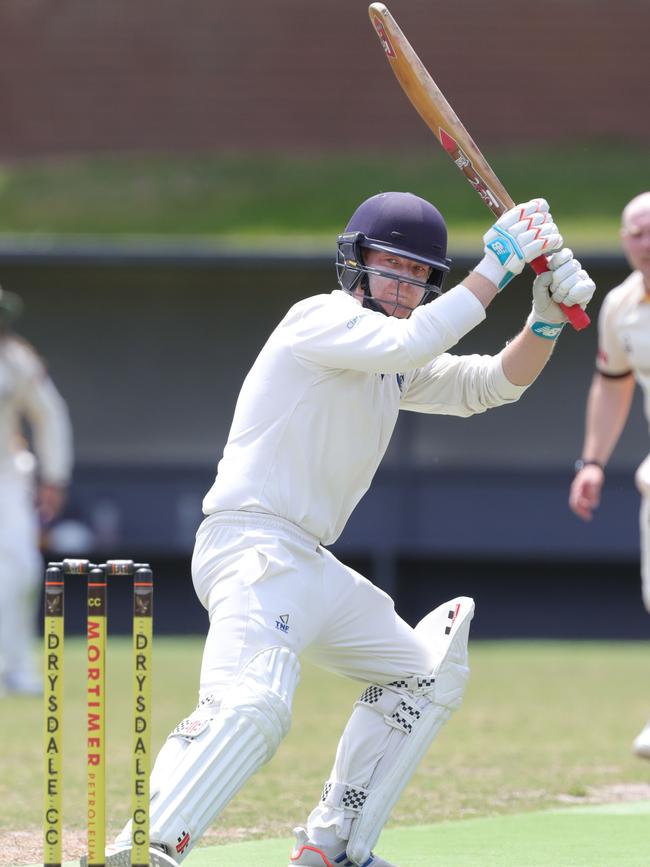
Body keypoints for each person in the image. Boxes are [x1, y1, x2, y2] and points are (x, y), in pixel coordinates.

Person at [102, 192, 595, 867]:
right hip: (251, 545)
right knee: (252, 704)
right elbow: (415, 336)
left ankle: (331, 844)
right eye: (390, 267)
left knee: (423, 674)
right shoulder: (321, 320)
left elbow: (488, 386)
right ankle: (138, 849)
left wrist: (542, 323)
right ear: (354, 263)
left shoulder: (393, 357)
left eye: (419, 274)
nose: (403, 285)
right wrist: (500, 264)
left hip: (307, 560)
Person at [569, 191, 650, 761]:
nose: (646, 240)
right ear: (624, 241)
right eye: (637, 232)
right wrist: (593, 461)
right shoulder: (621, 307)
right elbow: (614, 382)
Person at [0, 284, 73, 695]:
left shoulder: (16, 360)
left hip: (7, 476)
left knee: (23, 567)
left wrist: (54, 477)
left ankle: (13, 668)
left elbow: (49, 416)